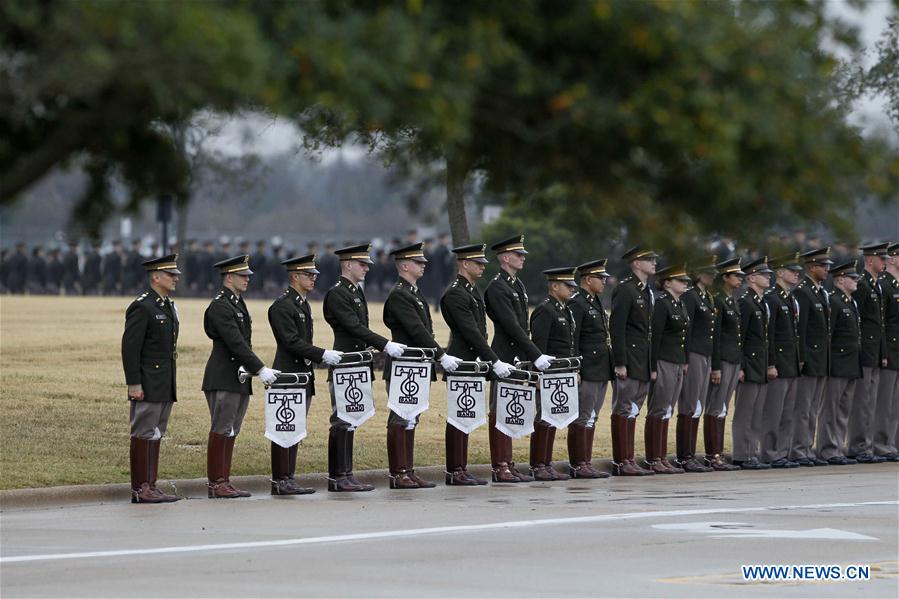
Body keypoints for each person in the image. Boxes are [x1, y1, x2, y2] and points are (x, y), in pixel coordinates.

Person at [323, 243, 406, 492]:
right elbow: (353, 327)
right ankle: (337, 476)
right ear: (348, 264)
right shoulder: (338, 293)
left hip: (357, 364)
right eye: (362, 264)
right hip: (346, 363)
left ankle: (347, 474)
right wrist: (384, 344)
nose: (367, 268)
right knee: (341, 419)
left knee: (352, 419)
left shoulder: (355, 291)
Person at [382, 242, 462, 489]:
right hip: (403, 367)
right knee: (400, 417)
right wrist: (441, 355)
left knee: (411, 418)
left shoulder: (413, 292)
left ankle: (408, 470)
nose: (424, 265)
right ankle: (398, 473)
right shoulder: (400, 294)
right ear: (405, 266)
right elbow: (417, 331)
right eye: (419, 262)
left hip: (415, 366)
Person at [202, 255, 280, 498]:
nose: (247, 280)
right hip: (224, 376)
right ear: (228, 278)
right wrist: (260, 368)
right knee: (222, 428)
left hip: (238, 377)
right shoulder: (220, 305)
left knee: (232, 430)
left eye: (247, 276)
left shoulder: (236, 303)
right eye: (242, 276)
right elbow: (235, 343)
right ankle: (216, 483)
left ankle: (224, 480)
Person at [267, 255, 343, 495]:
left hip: (301, 374)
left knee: (295, 426)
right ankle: (280, 480)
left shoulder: (302, 303)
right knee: (284, 426)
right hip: (288, 374)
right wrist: (322, 354)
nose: (313, 279)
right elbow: (291, 342)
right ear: (294, 277)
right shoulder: (282, 305)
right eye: (308, 275)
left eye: (314, 275)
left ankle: (289, 477)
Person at [440, 243, 514, 485]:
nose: (483, 267)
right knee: (459, 416)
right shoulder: (456, 293)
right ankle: (455, 470)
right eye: (478, 263)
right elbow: (470, 332)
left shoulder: (471, 290)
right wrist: (494, 360)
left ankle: (461, 468)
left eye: (483, 263)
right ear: (464, 264)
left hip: (473, 363)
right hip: (462, 362)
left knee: (467, 414)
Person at [484, 235, 555, 482]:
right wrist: (535, 355)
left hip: (518, 356)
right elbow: (511, 326)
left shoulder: (517, 285)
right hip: (504, 355)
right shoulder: (497, 286)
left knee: (513, 410)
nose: (522, 258)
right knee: (500, 411)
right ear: (504, 258)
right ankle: (499, 465)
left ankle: (509, 462)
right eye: (518, 255)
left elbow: (522, 326)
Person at [121, 254, 182, 503]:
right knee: (144, 432)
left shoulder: (166, 304)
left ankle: (151, 484)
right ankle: (140, 488)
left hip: (164, 379)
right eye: (171, 274)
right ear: (156, 277)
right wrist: (134, 383)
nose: (176, 278)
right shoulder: (143, 306)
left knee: (156, 432)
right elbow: (130, 348)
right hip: (147, 380)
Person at [609, 246, 658, 476]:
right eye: (649, 259)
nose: (654, 263)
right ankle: (622, 461)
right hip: (629, 358)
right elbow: (617, 328)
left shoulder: (646, 291)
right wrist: (620, 362)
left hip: (642, 359)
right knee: (623, 407)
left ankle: (629, 458)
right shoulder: (626, 290)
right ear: (636, 263)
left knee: (634, 409)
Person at [529, 267, 579, 481]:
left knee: (554, 416)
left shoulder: (564, 309)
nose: (571, 289)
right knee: (543, 418)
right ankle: (538, 464)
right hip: (548, 373)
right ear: (555, 286)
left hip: (561, 373)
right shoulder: (545, 310)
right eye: (568, 286)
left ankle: (546, 463)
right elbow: (538, 345)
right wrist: (537, 375)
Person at [567, 259, 614, 479]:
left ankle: (585, 461)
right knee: (582, 416)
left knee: (592, 416)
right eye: (600, 278)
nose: (604, 282)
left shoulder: (595, 300)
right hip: (587, 368)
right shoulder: (578, 303)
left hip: (600, 367)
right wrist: (575, 368)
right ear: (588, 279)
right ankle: (579, 463)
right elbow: (573, 338)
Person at [644, 265, 692, 474]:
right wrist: (653, 367)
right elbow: (655, 337)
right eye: (680, 280)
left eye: (686, 281)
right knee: (658, 408)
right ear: (667, 283)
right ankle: (654, 458)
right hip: (663, 360)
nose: (685, 283)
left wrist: (684, 361)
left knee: (667, 410)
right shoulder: (662, 304)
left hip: (676, 361)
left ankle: (662, 456)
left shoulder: (679, 304)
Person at [790, 247, 834, 467]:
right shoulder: (803, 292)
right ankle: (799, 449)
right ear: (812, 267)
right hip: (810, 358)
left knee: (813, 408)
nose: (827, 270)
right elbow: (802, 329)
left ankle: (807, 447)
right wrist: (802, 357)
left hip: (821, 359)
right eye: (823, 266)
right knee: (804, 408)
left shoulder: (819, 292)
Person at [816, 261, 863, 465]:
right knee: (831, 409)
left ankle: (837, 446)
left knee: (843, 409)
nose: (856, 282)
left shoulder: (850, 301)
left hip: (851, 362)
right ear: (840, 279)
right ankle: (827, 449)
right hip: (837, 362)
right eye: (852, 278)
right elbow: (829, 335)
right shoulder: (834, 301)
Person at [847, 242, 889, 463]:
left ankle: (867, 444)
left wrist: (881, 351)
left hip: (874, 351)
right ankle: (858, 445)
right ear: (870, 260)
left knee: (870, 402)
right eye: (881, 259)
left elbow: (879, 324)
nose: (885, 262)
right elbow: (858, 320)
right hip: (864, 351)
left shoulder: (876, 285)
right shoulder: (862, 285)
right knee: (862, 402)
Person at [759, 253, 803, 468]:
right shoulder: (771, 299)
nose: (796, 274)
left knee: (787, 413)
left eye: (797, 271)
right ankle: (769, 452)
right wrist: (771, 363)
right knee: (774, 412)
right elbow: (771, 335)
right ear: (779, 273)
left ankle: (782, 452)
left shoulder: (790, 299)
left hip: (792, 363)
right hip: (779, 364)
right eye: (791, 270)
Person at [732, 257, 775, 470]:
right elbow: (740, 337)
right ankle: (742, 454)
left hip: (760, 363)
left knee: (757, 412)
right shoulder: (745, 302)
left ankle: (752, 452)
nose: (768, 277)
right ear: (751, 278)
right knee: (745, 412)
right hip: (749, 364)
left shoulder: (761, 301)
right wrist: (740, 366)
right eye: (764, 274)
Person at [675, 256, 717, 473]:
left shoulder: (706, 297)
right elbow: (686, 330)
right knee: (689, 405)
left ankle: (690, 454)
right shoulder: (691, 297)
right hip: (693, 354)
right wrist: (684, 358)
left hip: (705, 353)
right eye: (708, 273)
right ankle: (684, 455)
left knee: (698, 406)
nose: (712, 277)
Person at [703, 257, 744, 471]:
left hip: (734, 359)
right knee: (715, 406)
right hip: (723, 359)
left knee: (723, 408)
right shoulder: (718, 300)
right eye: (736, 276)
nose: (740, 279)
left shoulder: (732, 300)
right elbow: (716, 336)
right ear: (725, 278)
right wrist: (716, 366)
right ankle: (713, 454)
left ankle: (717, 453)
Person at [873, 242, 899, 461]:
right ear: (892, 259)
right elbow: (880, 322)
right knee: (885, 401)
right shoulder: (884, 285)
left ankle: (894, 442)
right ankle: (881, 443)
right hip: (890, 349)